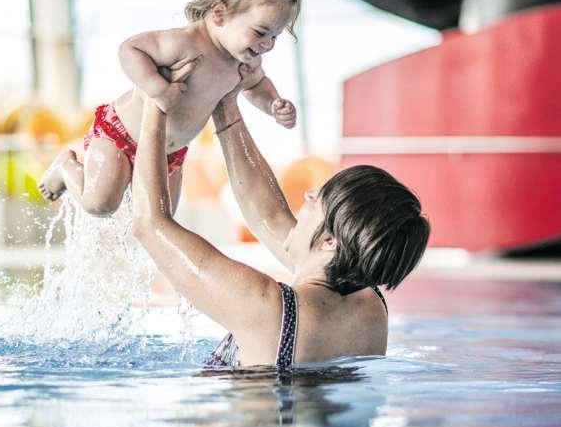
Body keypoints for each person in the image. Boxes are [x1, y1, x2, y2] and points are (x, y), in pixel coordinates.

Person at [131, 62, 431, 367]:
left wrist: (156, 102)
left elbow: (150, 223)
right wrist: (225, 103)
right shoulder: (370, 305)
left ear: (330, 241)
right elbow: (270, 216)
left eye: (320, 199)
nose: (309, 195)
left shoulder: (266, 307)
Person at [38, 0, 301, 215]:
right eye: (261, 32)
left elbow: (256, 85)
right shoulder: (185, 43)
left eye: (275, 36)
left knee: (161, 219)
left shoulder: (245, 61)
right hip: (122, 135)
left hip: (171, 153)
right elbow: (130, 50)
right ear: (219, 14)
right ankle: (66, 167)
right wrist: (158, 89)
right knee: (99, 204)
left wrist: (273, 104)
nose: (267, 44)